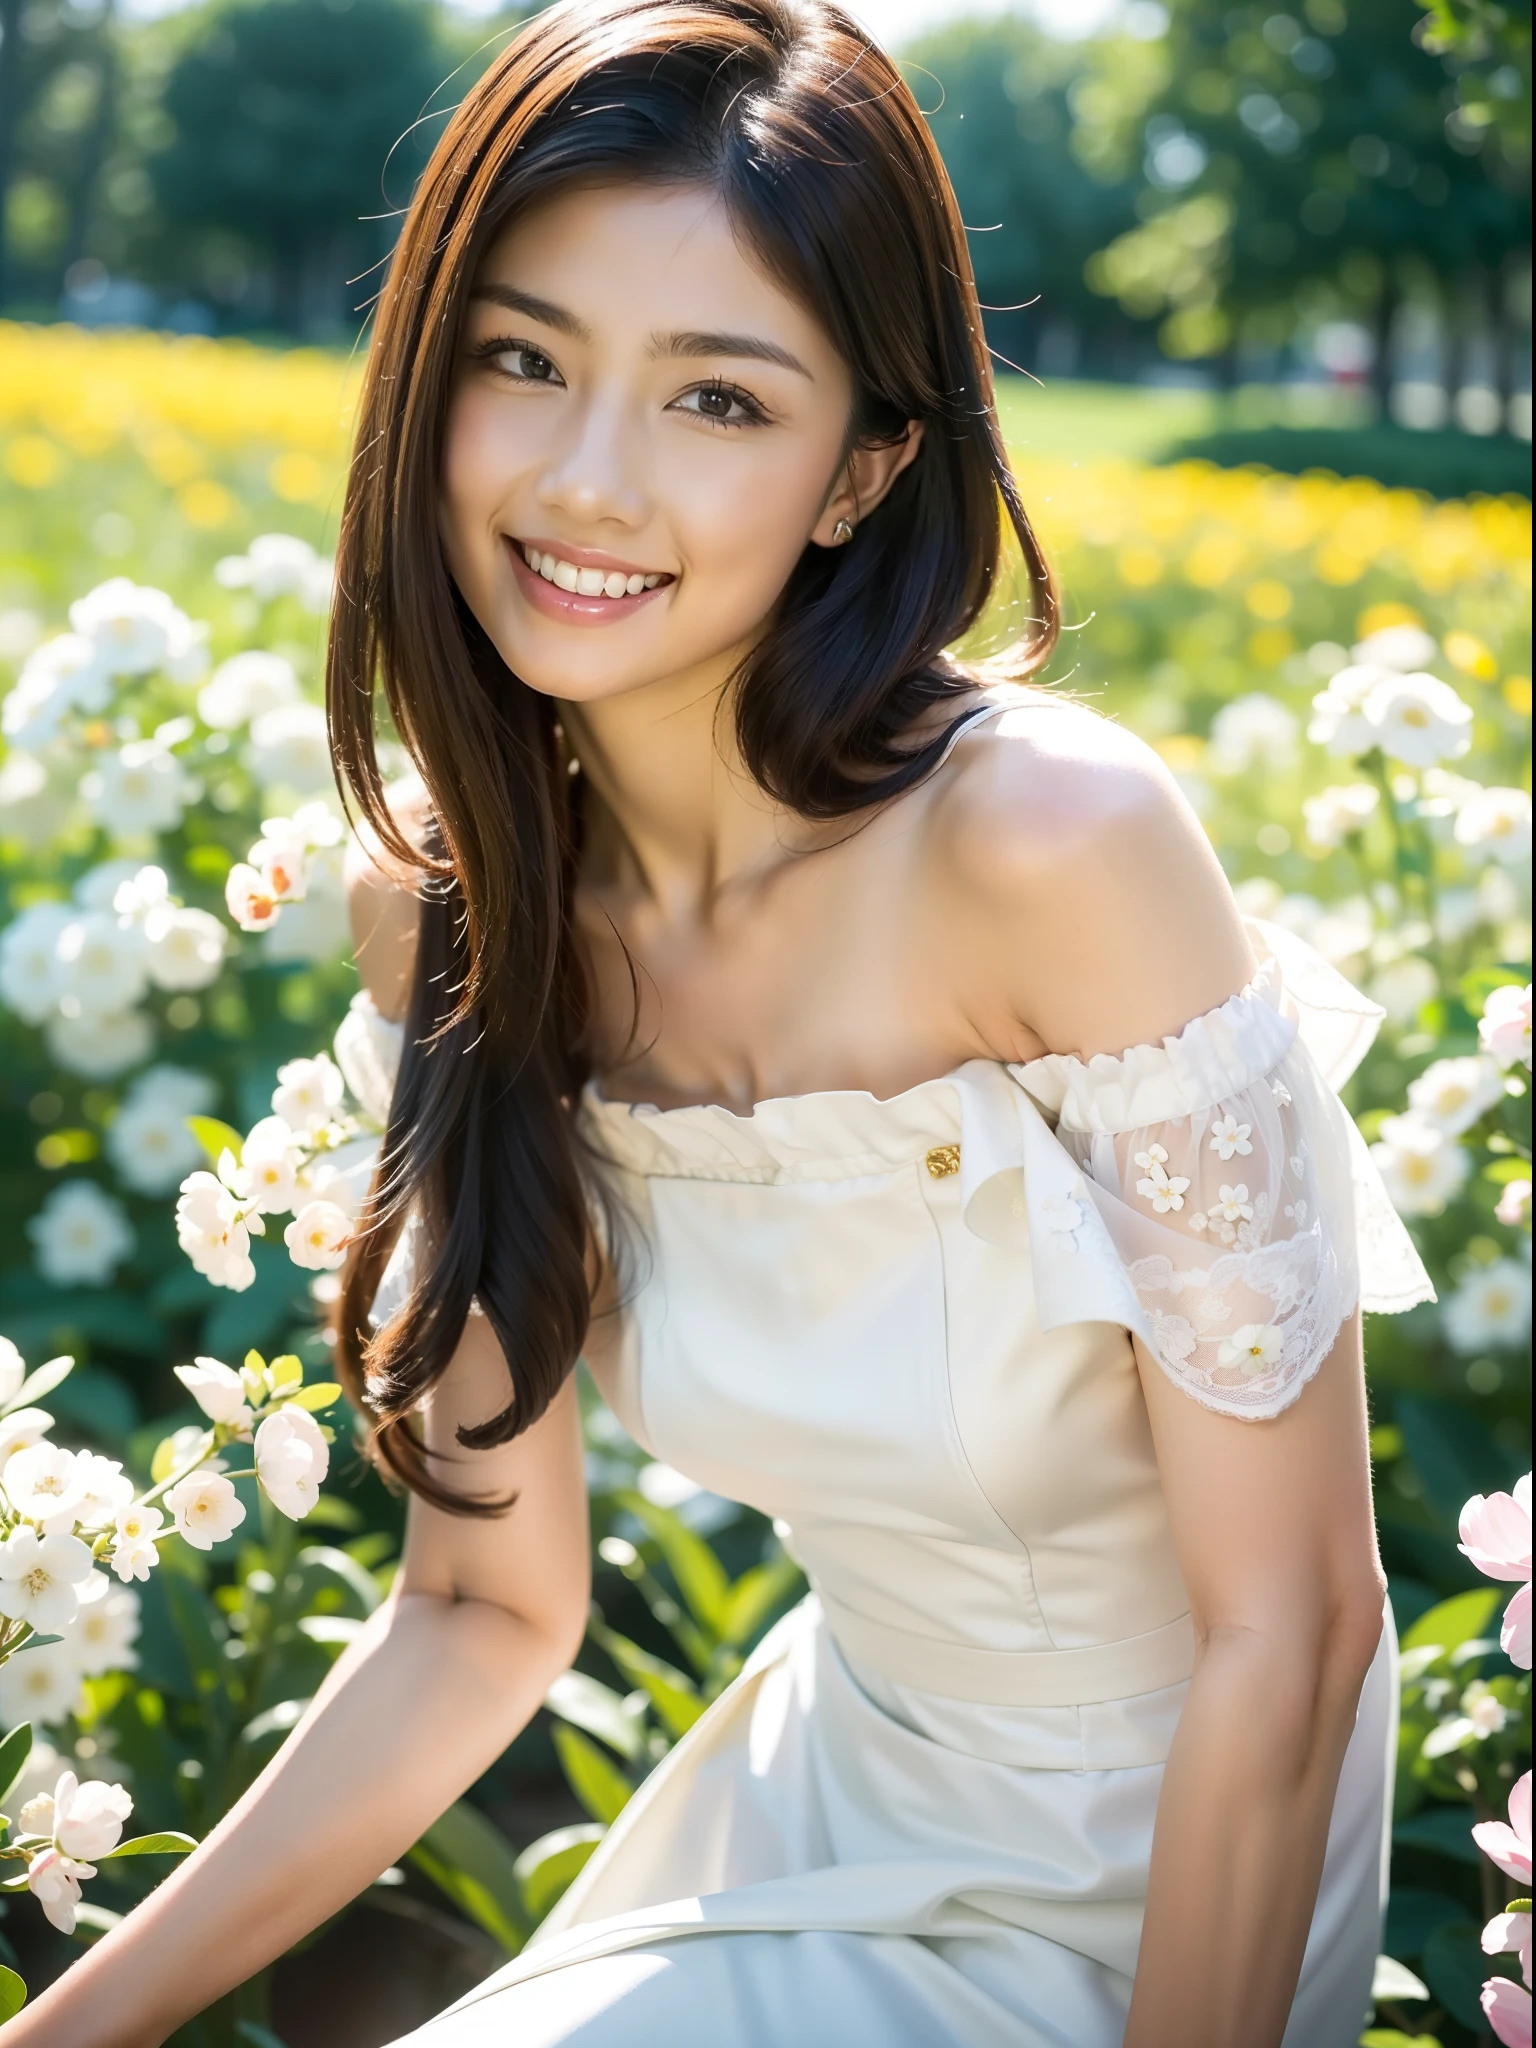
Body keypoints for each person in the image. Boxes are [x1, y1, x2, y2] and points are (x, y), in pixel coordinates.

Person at [14, 3, 1433, 2044]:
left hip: (1188, 1878)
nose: (588, 481)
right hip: (812, 1821)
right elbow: (478, 1609)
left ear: (868, 466)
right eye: (524, 359)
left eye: (718, 401)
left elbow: (1292, 1627)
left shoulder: (1052, 847)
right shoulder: (444, 909)